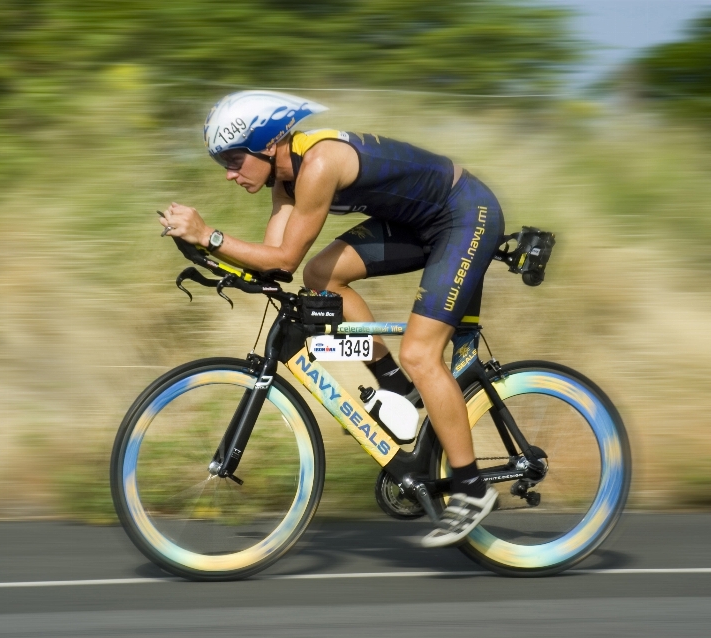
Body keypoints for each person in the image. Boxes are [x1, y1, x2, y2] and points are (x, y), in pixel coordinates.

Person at [158, 90, 503, 548]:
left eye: (234, 159)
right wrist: (203, 252)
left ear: (266, 144)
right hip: (420, 225)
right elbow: (277, 267)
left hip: (464, 215)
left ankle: (471, 489)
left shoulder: (318, 165)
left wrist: (210, 233)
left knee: (422, 353)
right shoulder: (284, 181)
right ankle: (396, 385)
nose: (229, 173)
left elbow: (283, 252)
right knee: (321, 275)